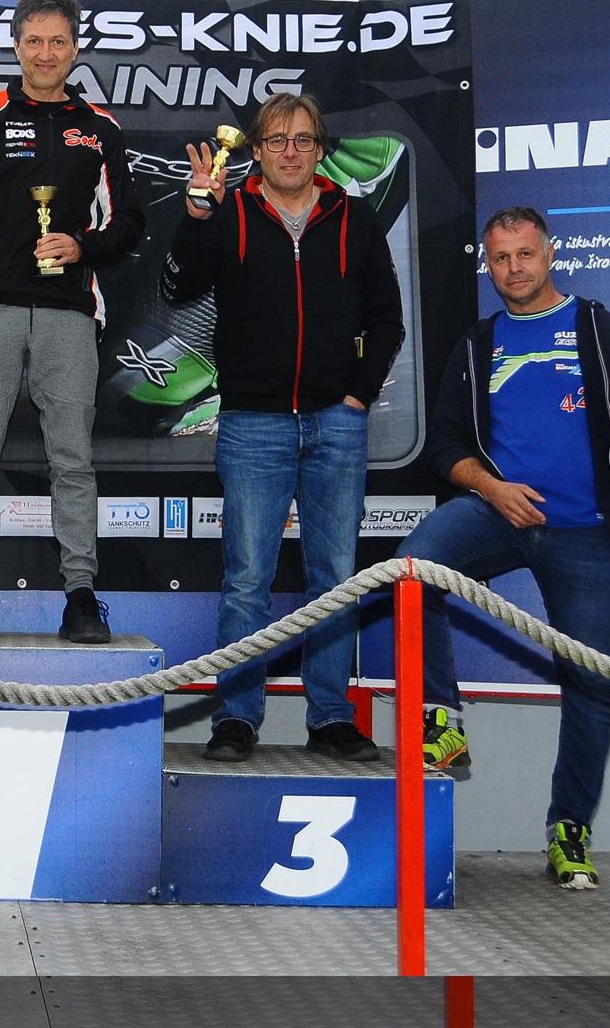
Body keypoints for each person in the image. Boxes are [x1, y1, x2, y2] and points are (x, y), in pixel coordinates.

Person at [399, 205, 610, 890]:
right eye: (500, 258)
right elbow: (443, 445)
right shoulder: (477, 344)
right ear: (488, 264)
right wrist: (492, 488)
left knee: (588, 684)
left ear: (550, 254)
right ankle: (441, 720)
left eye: (524, 255)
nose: (513, 269)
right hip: (500, 515)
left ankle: (570, 832)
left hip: (588, 533)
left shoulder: (602, 327)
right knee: (412, 569)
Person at [162, 93, 405, 765]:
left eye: (303, 140)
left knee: (335, 579)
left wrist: (357, 396)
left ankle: (331, 717)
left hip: (337, 424)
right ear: (257, 151)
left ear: (320, 149)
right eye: (276, 140)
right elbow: (179, 288)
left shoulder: (354, 216)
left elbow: (387, 319)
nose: (290, 152)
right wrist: (196, 216)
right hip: (252, 424)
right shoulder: (228, 212)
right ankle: (236, 718)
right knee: (248, 582)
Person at [0, 0, 143, 643]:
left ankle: (81, 597)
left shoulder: (100, 127)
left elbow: (129, 222)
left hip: (70, 314)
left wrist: (82, 246)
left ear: (75, 48)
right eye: (34, 41)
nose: (45, 53)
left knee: (73, 460)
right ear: (16, 47)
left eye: (58, 41)